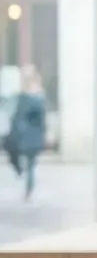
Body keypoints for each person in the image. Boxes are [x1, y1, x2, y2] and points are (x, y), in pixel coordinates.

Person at [4, 65, 47, 200]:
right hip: (25, 135)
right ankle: (27, 183)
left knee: (29, 164)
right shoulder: (25, 95)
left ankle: (28, 187)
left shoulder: (32, 96)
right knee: (25, 162)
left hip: (28, 135)